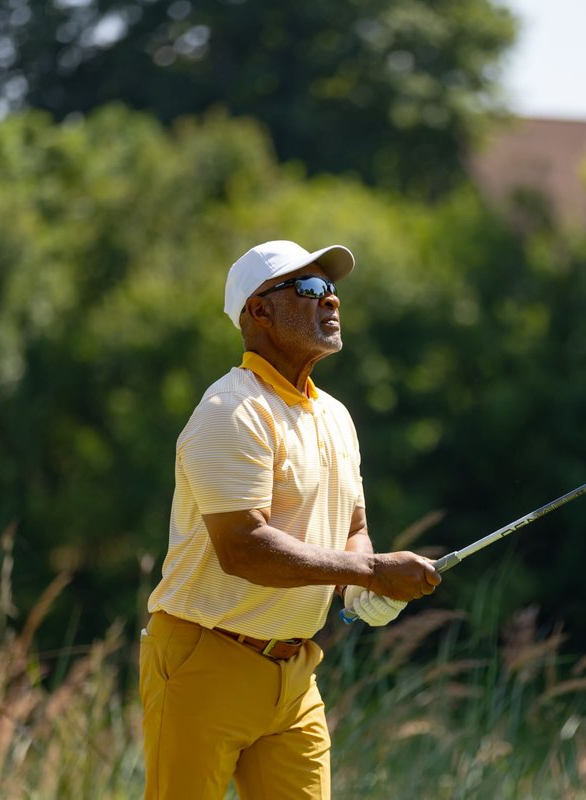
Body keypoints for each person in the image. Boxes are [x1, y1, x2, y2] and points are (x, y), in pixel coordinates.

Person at [139, 239, 441, 799]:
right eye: (307, 288)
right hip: (203, 658)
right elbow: (245, 548)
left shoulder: (336, 415)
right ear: (259, 311)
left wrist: (361, 590)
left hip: (295, 670)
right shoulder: (231, 410)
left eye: (331, 289)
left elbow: (352, 527)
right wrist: (370, 572)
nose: (329, 300)